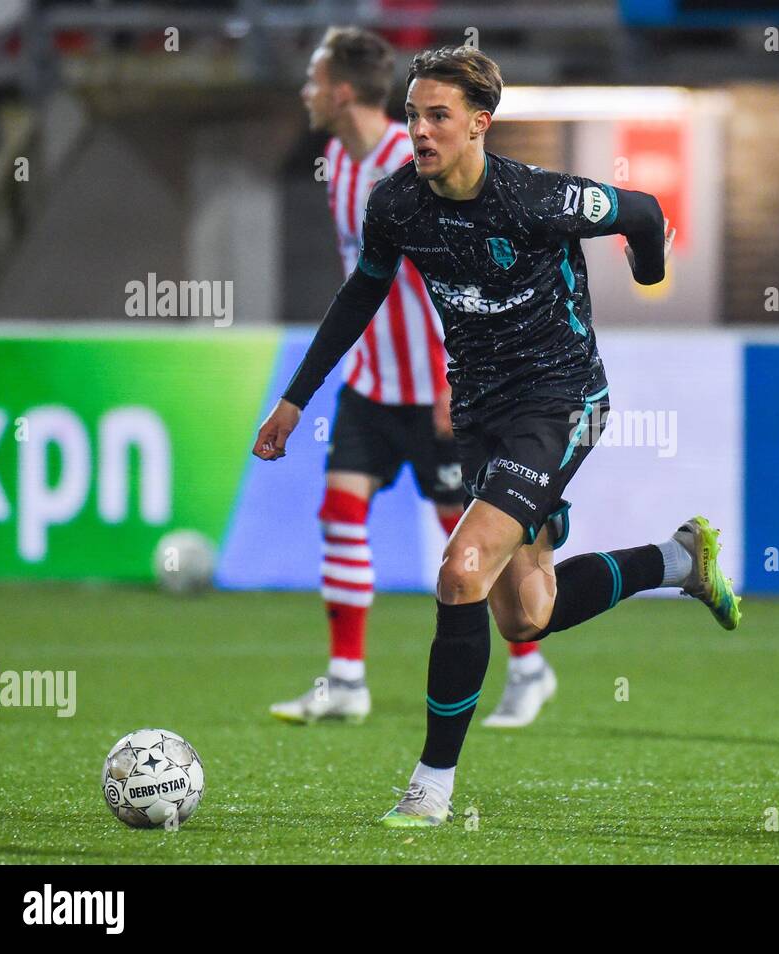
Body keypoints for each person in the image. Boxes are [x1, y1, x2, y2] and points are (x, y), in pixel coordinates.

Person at [253, 46, 742, 826]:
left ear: (480, 125)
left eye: (438, 116)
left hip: (562, 401)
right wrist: (293, 401)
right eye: (413, 114)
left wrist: (649, 275)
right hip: (479, 413)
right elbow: (359, 299)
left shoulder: (536, 199)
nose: (420, 129)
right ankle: (681, 559)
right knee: (526, 614)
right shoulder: (397, 206)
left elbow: (644, 212)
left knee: (461, 568)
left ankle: (431, 786)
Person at [268, 28, 558, 730]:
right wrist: (298, 397)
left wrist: (448, 379)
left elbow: (459, 279)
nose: (305, 92)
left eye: (313, 79)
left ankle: (529, 668)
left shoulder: (421, 162)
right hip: (371, 383)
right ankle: (344, 681)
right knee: (339, 513)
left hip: (441, 388)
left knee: (472, 545)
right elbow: (361, 288)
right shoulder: (337, 162)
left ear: (340, 90)